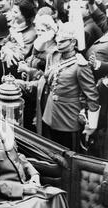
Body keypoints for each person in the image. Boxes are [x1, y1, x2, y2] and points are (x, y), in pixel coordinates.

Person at [0, 95, 72, 208]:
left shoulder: (1, 133)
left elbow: (19, 157)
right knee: (41, 205)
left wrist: (34, 173)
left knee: (58, 196)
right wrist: (25, 189)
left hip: (27, 186)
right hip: (7, 198)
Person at [42, 22, 100, 151]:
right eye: (57, 40)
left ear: (73, 42)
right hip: (50, 113)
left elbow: (92, 94)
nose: (58, 43)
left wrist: (92, 124)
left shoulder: (80, 65)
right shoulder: (54, 56)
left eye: (63, 41)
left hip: (68, 118)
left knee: (68, 156)